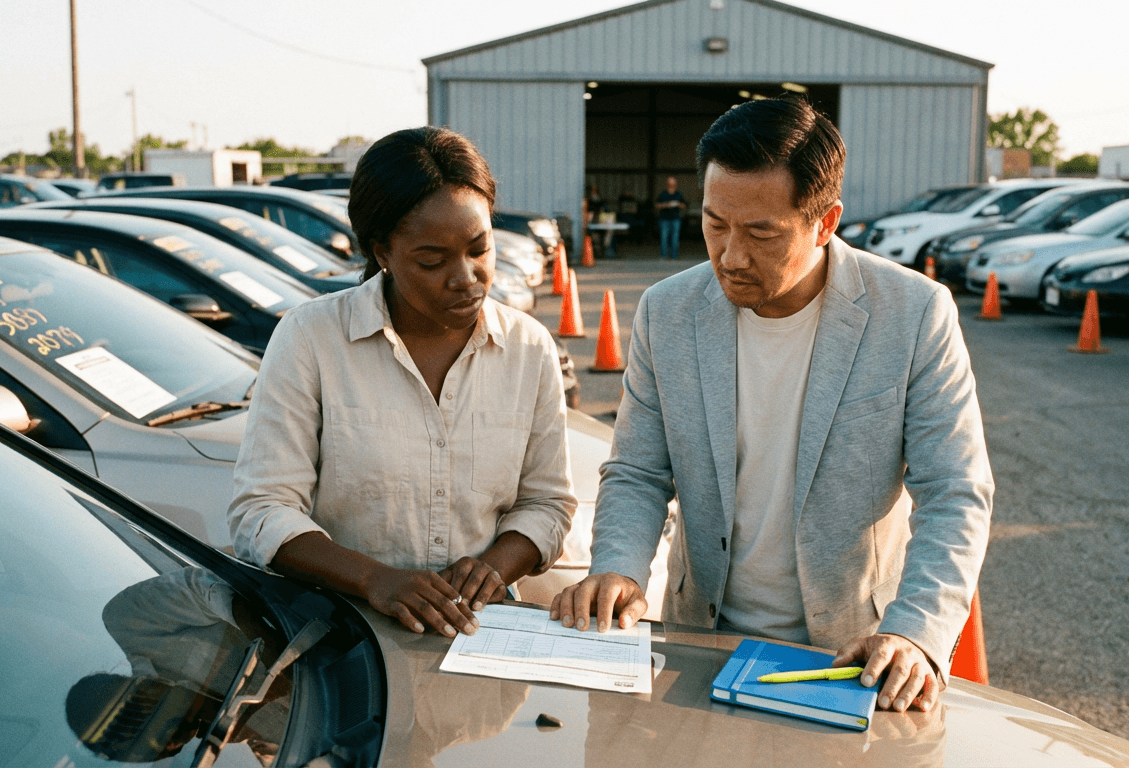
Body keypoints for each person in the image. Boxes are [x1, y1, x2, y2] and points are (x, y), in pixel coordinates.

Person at [552, 97, 992, 714]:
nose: (731, 255)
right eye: (715, 224)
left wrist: (916, 629)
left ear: (825, 221)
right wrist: (619, 567)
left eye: (761, 233)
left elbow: (956, 490)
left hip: (848, 658)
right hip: (699, 640)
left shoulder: (914, 313)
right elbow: (638, 471)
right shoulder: (667, 312)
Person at [229, 126, 576, 639]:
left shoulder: (528, 347)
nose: (466, 276)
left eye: (480, 249)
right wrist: (376, 580)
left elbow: (548, 503)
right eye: (432, 261)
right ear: (382, 252)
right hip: (342, 636)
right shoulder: (310, 339)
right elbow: (262, 511)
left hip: (478, 634)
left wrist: (493, 569)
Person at [655, 176, 687, 260]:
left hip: (676, 219)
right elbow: (657, 205)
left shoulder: (678, 194)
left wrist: (678, 204)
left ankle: (674, 256)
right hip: (664, 219)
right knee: (664, 238)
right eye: (670, 183)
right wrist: (667, 205)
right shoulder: (663, 194)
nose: (672, 185)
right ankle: (664, 256)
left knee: (675, 238)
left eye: (673, 183)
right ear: (667, 184)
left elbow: (684, 205)